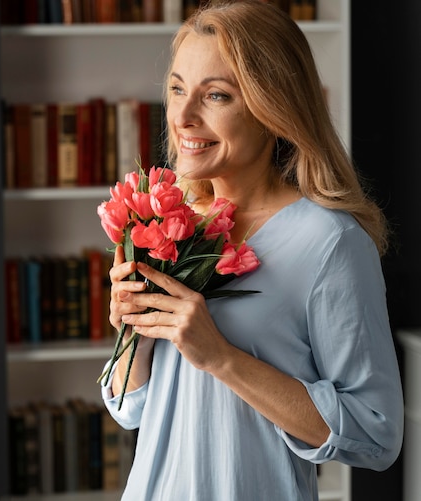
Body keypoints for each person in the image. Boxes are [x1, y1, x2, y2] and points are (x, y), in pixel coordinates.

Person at [100, 1, 404, 499]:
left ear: (273, 109)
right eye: (177, 89)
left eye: (215, 95)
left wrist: (220, 356)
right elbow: (129, 408)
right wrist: (133, 332)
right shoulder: (169, 225)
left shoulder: (330, 243)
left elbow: (375, 433)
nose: (183, 116)